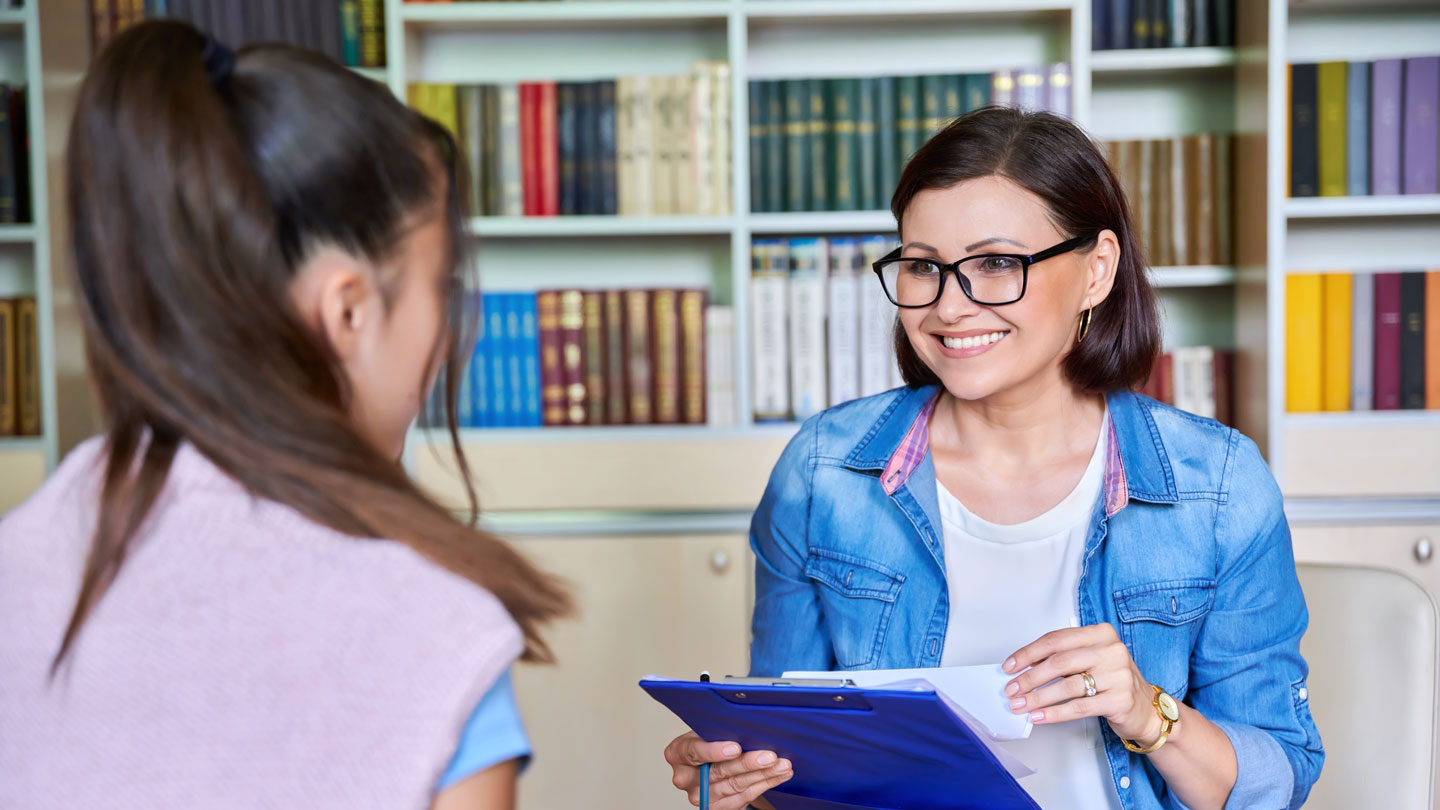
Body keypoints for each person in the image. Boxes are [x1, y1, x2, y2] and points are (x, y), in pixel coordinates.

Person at [664, 107, 1323, 810]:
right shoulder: (823, 474)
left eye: (997, 263)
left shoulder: (1218, 488)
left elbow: (1278, 778)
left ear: (1098, 269)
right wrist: (739, 777)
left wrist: (1146, 712)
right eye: (923, 267)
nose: (950, 306)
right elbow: (794, 762)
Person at [0, 21, 569, 810]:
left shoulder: (13, 569)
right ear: (347, 313)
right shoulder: (435, 633)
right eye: (441, 289)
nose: (447, 340)